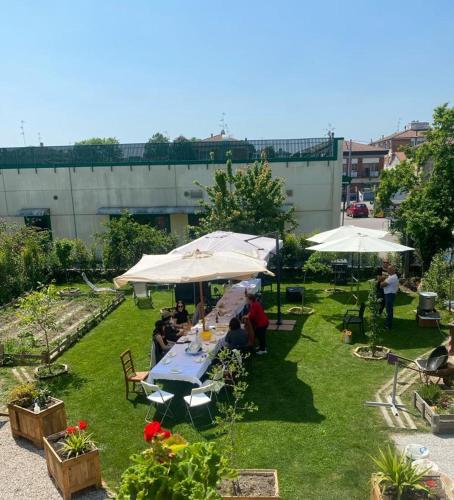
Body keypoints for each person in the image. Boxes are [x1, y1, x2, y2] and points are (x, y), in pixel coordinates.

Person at [380, 265, 399, 330]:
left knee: (389, 311)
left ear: (392, 270)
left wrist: (381, 280)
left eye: (388, 269)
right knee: (389, 310)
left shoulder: (392, 278)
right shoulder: (391, 276)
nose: (387, 270)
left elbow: (382, 285)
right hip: (390, 294)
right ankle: (387, 323)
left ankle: (388, 326)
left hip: (389, 295)